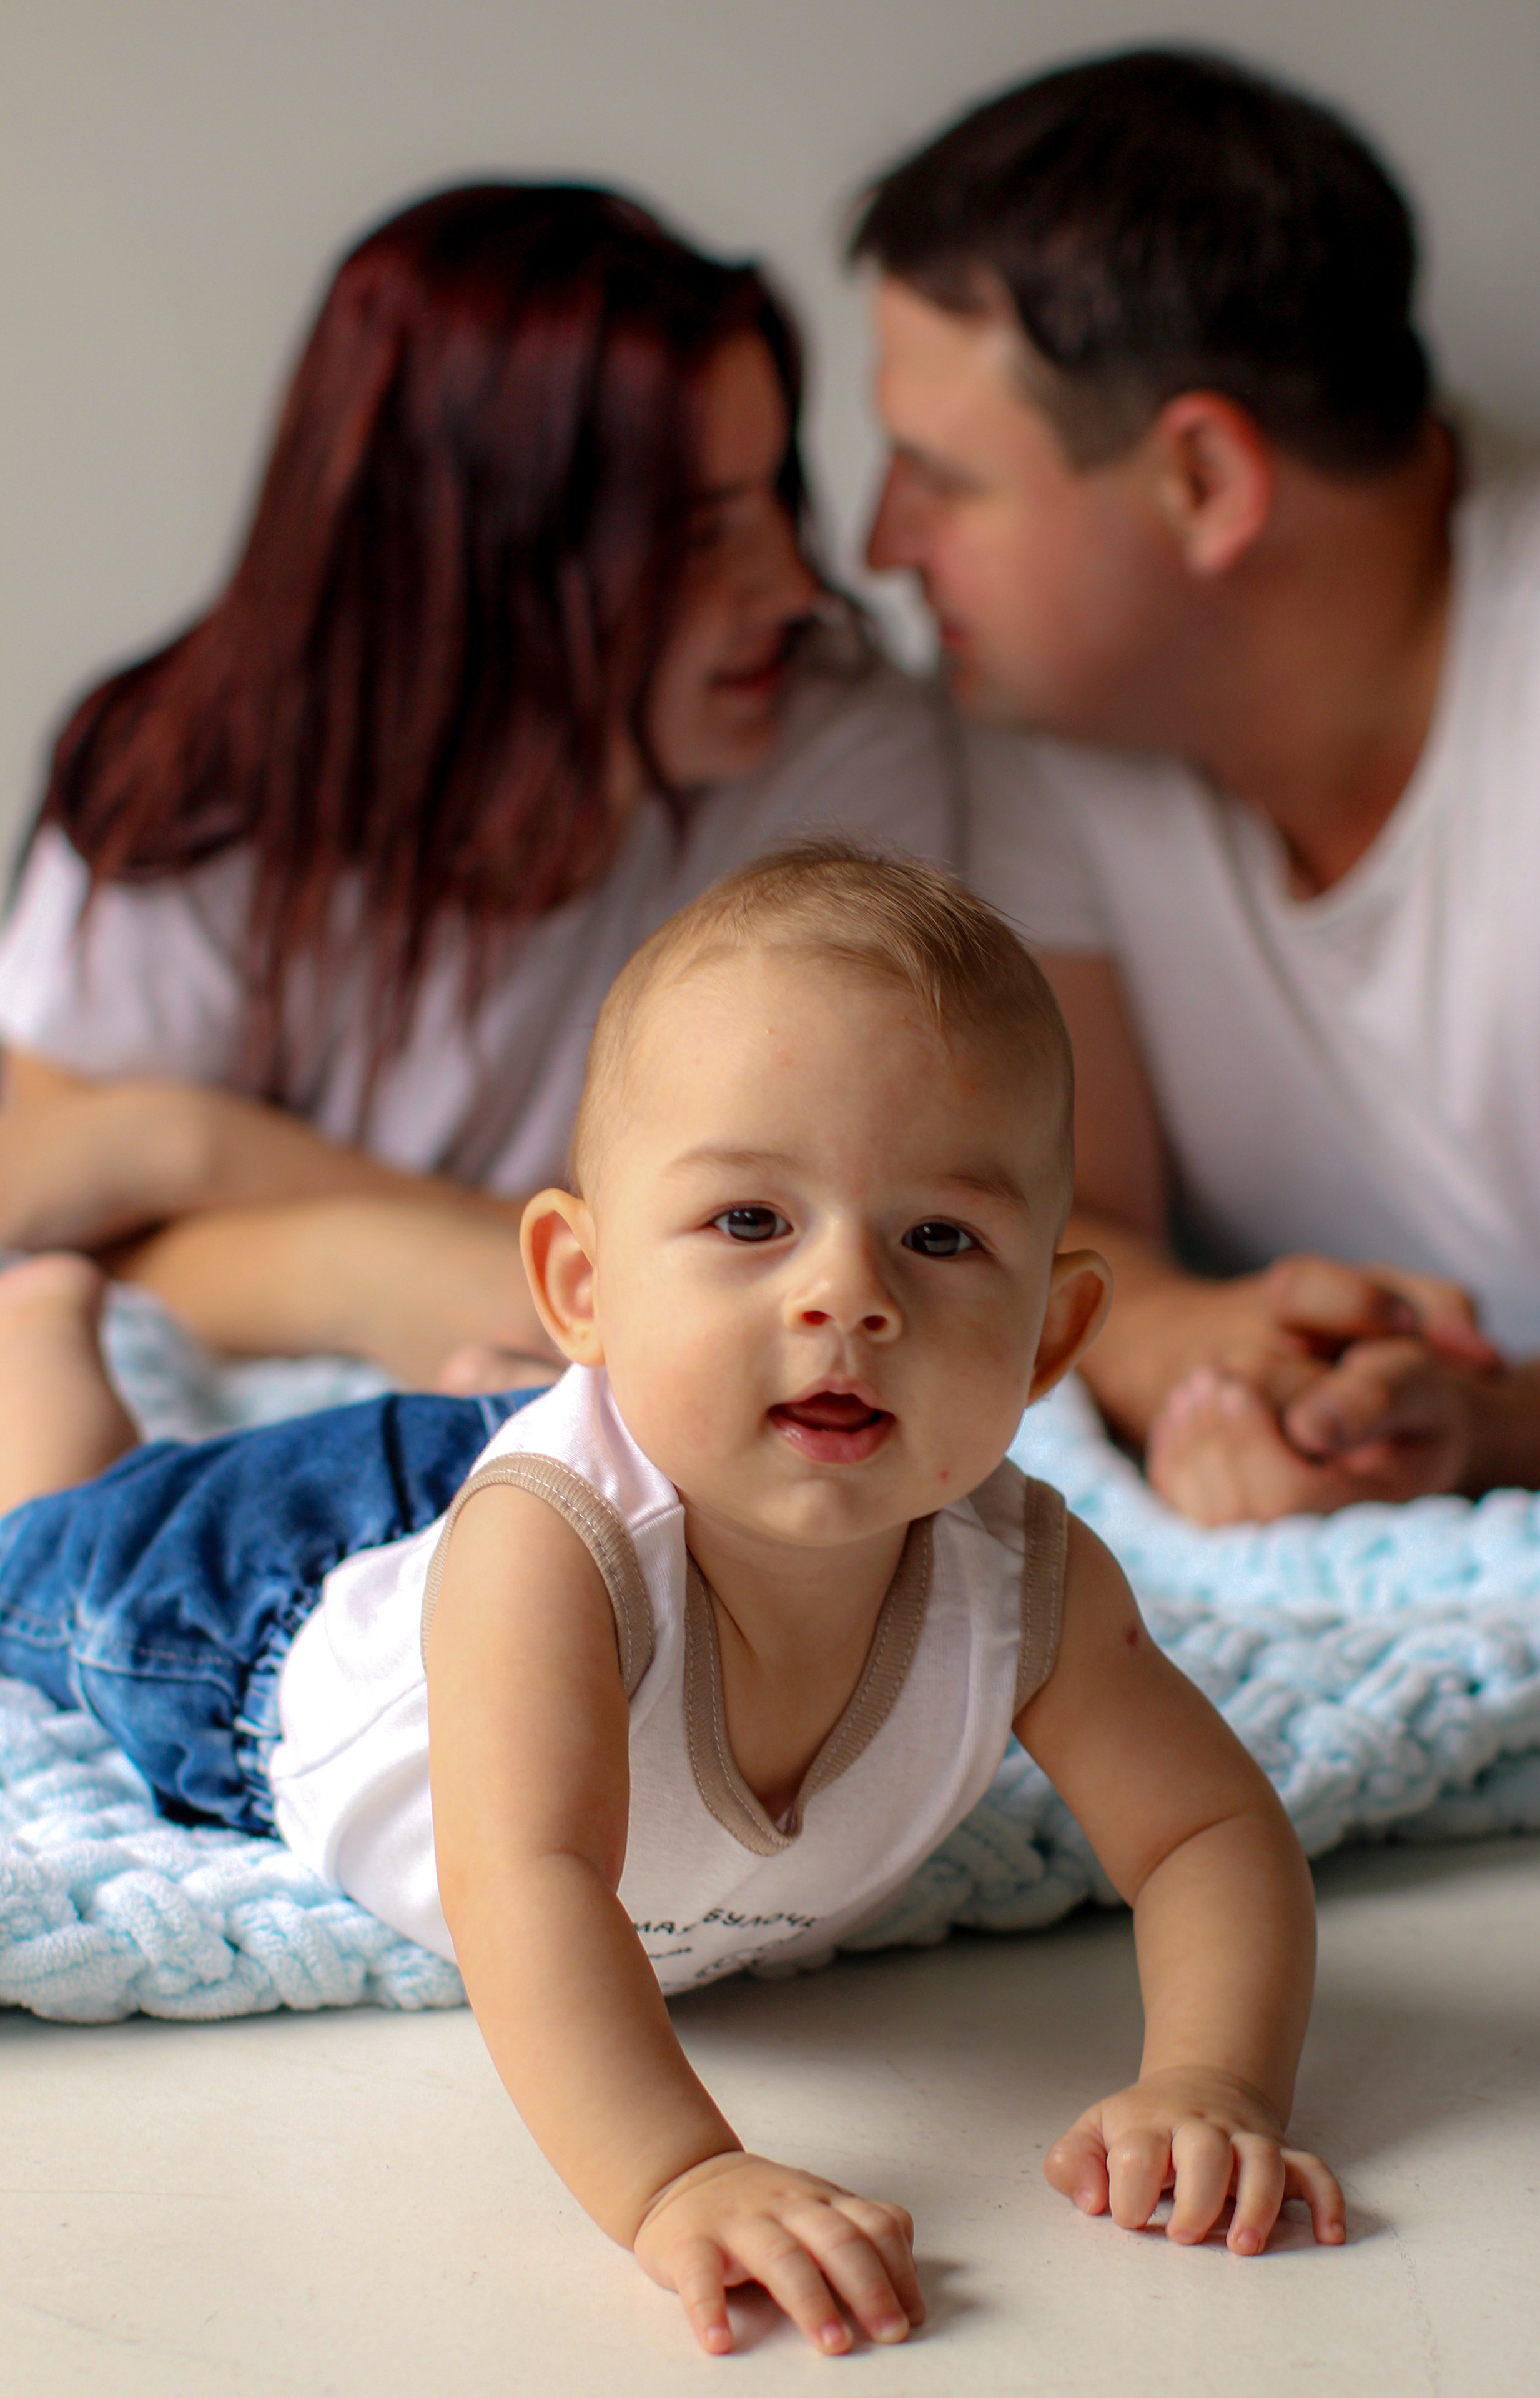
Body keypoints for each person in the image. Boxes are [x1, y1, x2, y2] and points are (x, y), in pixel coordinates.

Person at [0, 845, 1343, 2354]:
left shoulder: (1024, 1579)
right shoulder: (542, 1563)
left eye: (940, 1238)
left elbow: (1209, 1833)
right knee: (43, 1547)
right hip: (271, 1612)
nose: (847, 1297)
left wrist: (1213, 2083)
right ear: (579, 1279)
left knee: (609, 1441)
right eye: (751, 1224)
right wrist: (678, 2176)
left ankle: (545, 1393)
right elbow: (530, 1883)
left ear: (1049, 1337)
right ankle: (48, 1329)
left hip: (630, 1444)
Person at [0, 182, 957, 1388]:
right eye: (700, 535)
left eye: (776, 498)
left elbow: (742, 1269)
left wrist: (198, 1155)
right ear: (480, 564)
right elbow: (56, 1237)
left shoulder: (834, 753)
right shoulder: (190, 781)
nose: (793, 587)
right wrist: (369, 1264)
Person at [854, 48, 1540, 1524]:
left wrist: (1494, 1423)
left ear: (1201, 480)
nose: (883, 543)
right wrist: (1200, 1348)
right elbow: (1074, 1220)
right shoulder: (1045, 710)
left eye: (942, 477)